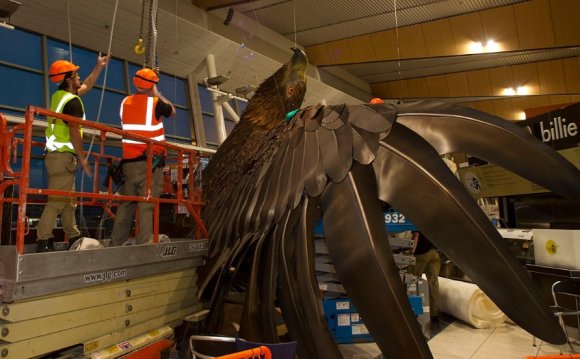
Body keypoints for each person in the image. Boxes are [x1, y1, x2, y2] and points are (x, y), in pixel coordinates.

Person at [36, 53, 111, 253]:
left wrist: (99, 67)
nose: (79, 77)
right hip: (63, 156)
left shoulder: (60, 96)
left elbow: (87, 85)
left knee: (69, 199)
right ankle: (43, 240)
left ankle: (73, 234)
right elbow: (73, 132)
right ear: (69, 80)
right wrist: (84, 158)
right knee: (57, 201)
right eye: (76, 74)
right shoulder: (73, 102)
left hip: (57, 157)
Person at [111, 67, 175, 246]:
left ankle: (116, 244)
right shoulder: (155, 103)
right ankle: (145, 244)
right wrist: (157, 92)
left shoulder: (125, 102)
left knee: (126, 205)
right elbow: (172, 111)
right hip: (149, 165)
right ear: (151, 86)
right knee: (146, 205)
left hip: (128, 164)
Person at [411, 231, 441, 323]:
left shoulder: (416, 220)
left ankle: (415, 311)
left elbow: (416, 235)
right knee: (433, 283)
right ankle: (435, 314)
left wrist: (411, 253)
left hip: (421, 253)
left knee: (413, 281)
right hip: (434, 253)